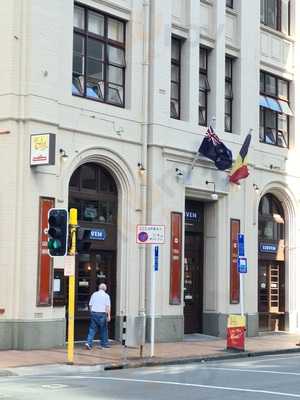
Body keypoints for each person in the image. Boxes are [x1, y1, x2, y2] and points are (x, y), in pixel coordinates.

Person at [85, 283, 111, 350]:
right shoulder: (106, 296)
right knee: (104, 330)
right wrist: (108, 315)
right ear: (105, 289)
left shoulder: (94, 294)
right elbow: (107, 307)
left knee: (92, 329)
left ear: (99, 288)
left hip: (94, 313)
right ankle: (104, 344)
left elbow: (90, 305)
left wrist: (92, 312)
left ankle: (88, 343)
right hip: (102, 314)